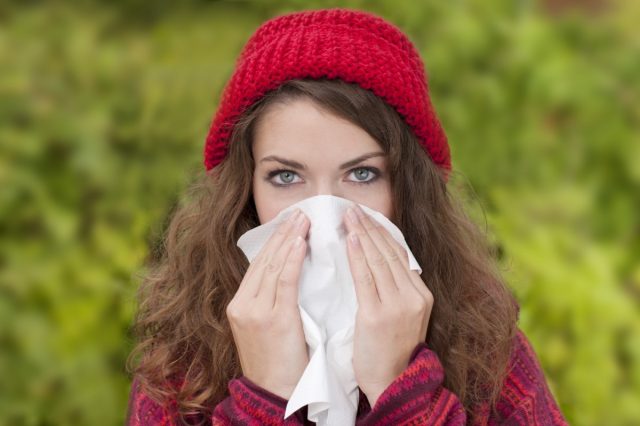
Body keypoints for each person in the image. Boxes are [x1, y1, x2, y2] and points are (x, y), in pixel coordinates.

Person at [126, 8, 568, 425]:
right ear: (245, 192)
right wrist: (265, 396)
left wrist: (403, 392)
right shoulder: (181, 369)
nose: (325, 215)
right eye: (285, 176)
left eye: (361, 173)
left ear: (406, 189)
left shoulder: (487, 356)